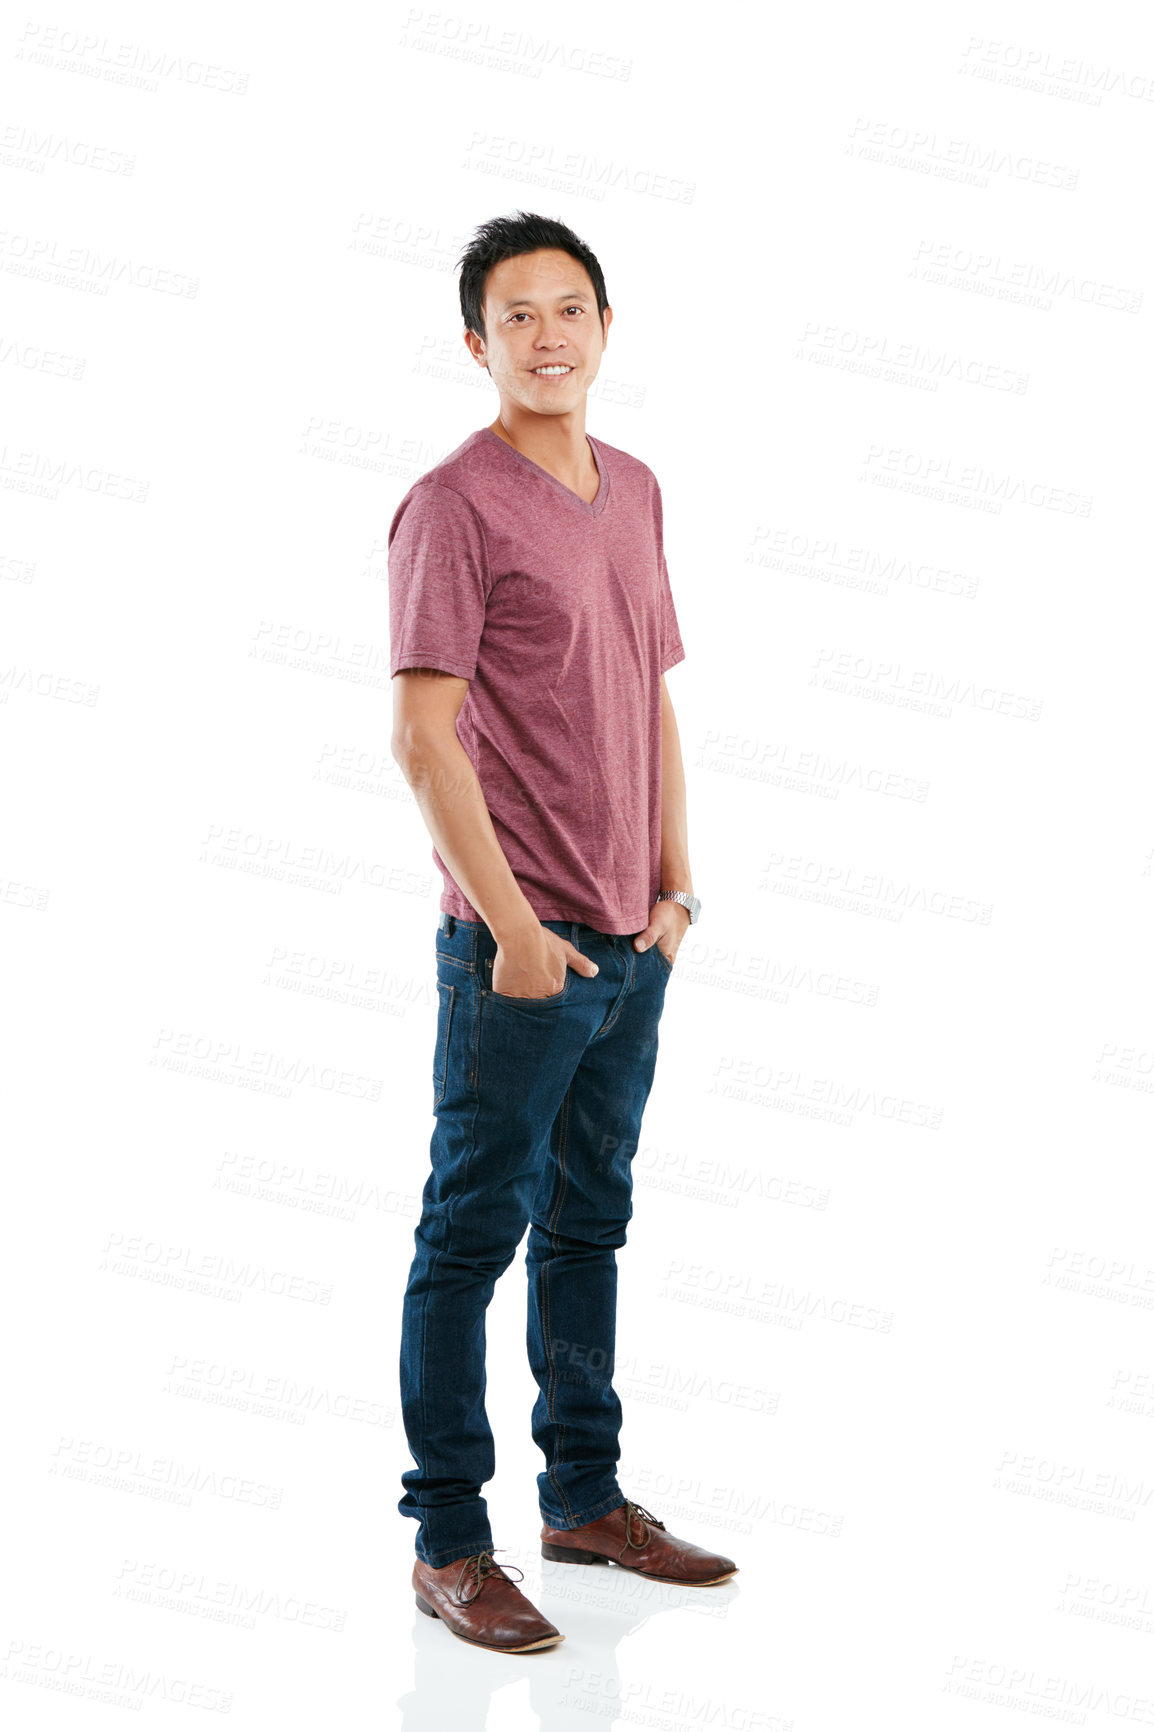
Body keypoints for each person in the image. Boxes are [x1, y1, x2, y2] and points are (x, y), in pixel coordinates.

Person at [388, 210, 737, 1655]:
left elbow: (648, 689)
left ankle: (581, 1497)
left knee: (589, 1220)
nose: (548, 335)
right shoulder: (450, 507)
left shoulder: (638, 489)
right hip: (518, 956)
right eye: (516, 315)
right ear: (476, 343)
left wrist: (674, 889)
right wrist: (519, 933)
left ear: (604, 328)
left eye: (569, 308)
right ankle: (450, 1540)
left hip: (630, 941)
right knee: (469, 1237)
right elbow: (420, 737)